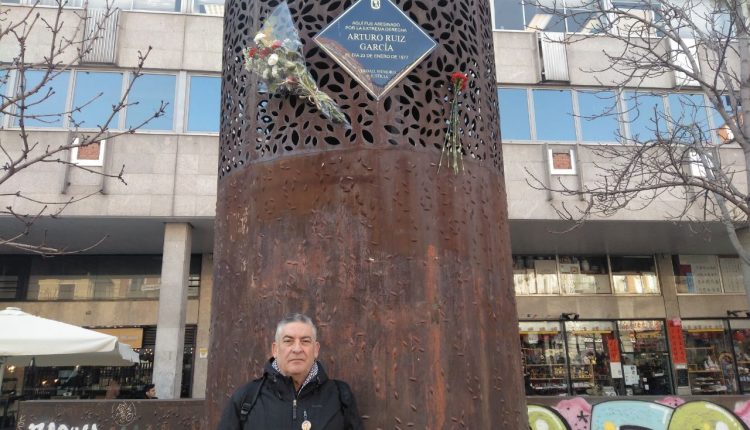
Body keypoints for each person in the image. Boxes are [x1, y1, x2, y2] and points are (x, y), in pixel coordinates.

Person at [218, 313, 363, 429]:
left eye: (305, 341)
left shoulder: (340, 396)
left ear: (316, 350)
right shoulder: (246, 398)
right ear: (275, 349)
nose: (297, 349)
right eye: (288, 341)